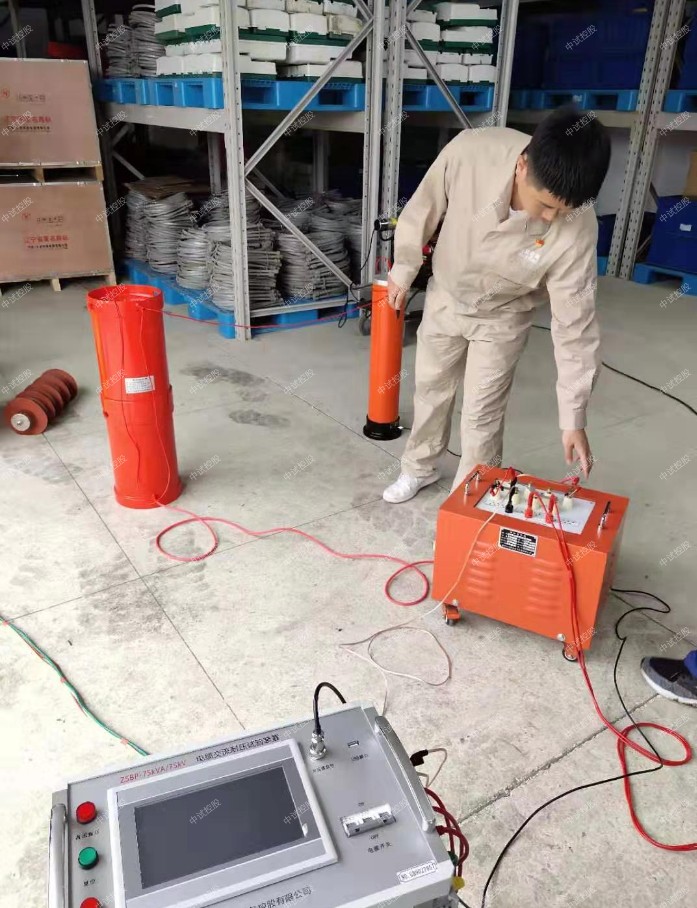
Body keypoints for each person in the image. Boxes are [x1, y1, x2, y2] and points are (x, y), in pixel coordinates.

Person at [382, 107, 611, 504]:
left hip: (505, 315)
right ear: (522, 166)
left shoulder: (578, 225)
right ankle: (419, 466)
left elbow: (575, 324)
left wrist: (573, 418)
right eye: (544, 205)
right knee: (431, 390)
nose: (551, 218)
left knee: (482, 413)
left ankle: (472, 496)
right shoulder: (472, 151)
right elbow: (423, 207)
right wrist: (404, 268)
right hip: (447, 297)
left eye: (562, 211)